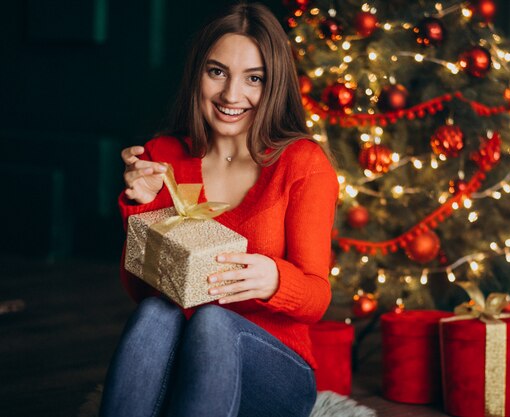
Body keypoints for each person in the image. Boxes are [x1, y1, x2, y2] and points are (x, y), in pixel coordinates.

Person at [99, 3, 338, 417]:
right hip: (182, 362)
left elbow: (317, 298)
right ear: (198, 75)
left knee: (212, 320)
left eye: (254, 79)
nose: (231, 95)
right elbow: (141, 291)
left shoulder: (302, 164)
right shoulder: (165, 156)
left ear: (274, 85)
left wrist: (275, 281)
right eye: (217, 72)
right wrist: (140, 207)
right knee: (157, 309)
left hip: (273, 370)